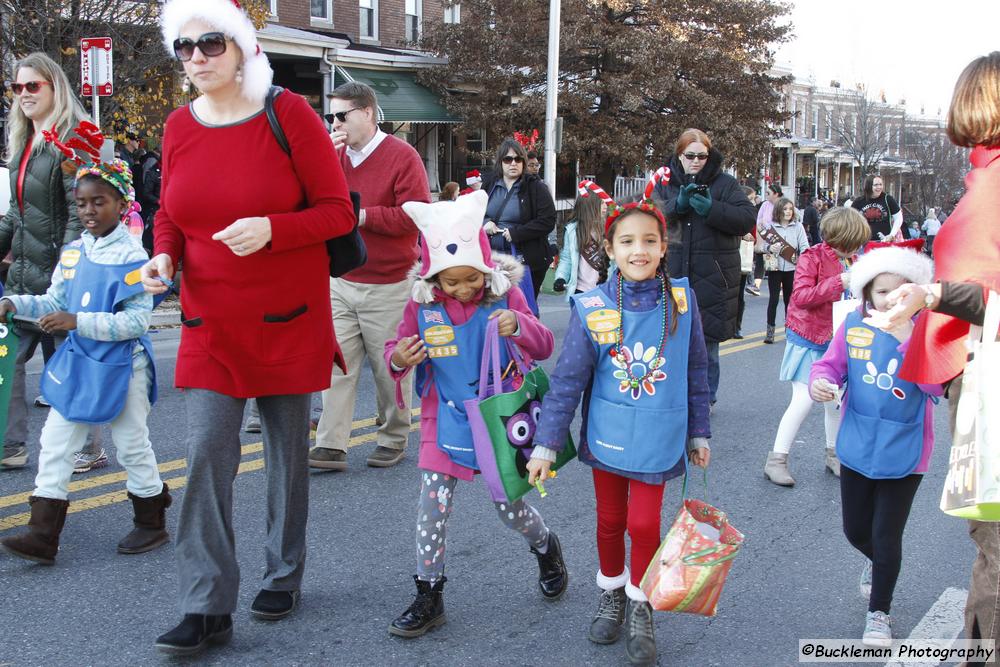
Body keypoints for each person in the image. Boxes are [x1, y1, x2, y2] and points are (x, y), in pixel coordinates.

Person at [146, 0, 356, 654]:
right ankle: (206, 603)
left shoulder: (286, 113)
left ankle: (283, 572)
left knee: (286, 456)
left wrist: (273, 229)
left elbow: (336, 215)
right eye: (185, 47)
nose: (197, 58)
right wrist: (164, 255)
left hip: (286, 316)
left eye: (210, 43)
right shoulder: (178, 126)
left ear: (241, 47)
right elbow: (170, 212)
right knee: (208, 451)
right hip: (210, 319)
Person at [530, 186, 711, 666]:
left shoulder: (682, 300)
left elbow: (696, 372)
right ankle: (611, 592)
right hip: (607, 435)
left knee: (644, 522)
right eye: (627, 242)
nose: (639, 250)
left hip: (660, 436)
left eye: (650, 241)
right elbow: (567, 381)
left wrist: (699, 432)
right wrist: (547, 444)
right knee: (610, 522)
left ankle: (641, 601)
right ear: (609, 249)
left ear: (663, 247)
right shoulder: (592, 307)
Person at [383, 191, 566, 638]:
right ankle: (430, 593)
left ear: (485, 269)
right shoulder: (422, 305)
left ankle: (545, 545)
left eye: (471, 279)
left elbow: (543, 345)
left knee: (510, 510)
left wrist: (518, 326)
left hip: (497, 420)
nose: (463, 289)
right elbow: (394, 350)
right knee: (431, 510)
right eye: (451, 282)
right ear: (434, 278)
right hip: (441, 419)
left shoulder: (506, 297)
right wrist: (401, 358)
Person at [880, 51, 1000, 667]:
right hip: (976, 376)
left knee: (995, 544)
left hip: (992, 383)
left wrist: (932, 294)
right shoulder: (985, 173)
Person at [0, 150, 171, 564]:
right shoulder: (74, 252)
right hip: (79, 364)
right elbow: (53, 301)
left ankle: (151, 522)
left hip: (123, 366)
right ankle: (42, 534)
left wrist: (77, 321)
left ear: (121, 203)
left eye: (99, 202)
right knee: (56, 443)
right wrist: (12, 303)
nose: (89, 210)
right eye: (81, 203)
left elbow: (134, 323)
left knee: (131, 445)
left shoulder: (134, 257)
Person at [810, 246, 941, 647]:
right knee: (855, 531)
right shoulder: (853, 323)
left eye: (900, 291)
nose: (889, 299)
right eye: (880, 291)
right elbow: (830, 364)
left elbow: (937, 387)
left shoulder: (925, 330)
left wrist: (907, 339)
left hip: (906, 450)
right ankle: (878, 563)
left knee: (886, 538)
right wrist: (821, 382)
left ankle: (879, 612)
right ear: (867, 294)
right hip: (858, 443)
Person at [309, 81, 430, 471]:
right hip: (340, 278)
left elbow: (415, 213)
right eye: (330, 116)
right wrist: (319, 160)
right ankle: (331, 444)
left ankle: (393, 436)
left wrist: (361, 216)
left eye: (341, 116)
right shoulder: (332, 156)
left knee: (388, 367)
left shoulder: (403, 156)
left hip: (390, 281)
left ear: (366, 113)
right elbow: (309, 202)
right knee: (337, 365)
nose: (334, 123)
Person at [0, 52, 96, 470]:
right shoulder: (23, 144)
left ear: (54, 87)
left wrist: (67, 274)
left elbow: (82, 213)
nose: (23, 94)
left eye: (32, 85)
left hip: (59, 280)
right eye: (16, 87)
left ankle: (86, 446)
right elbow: (17, 216)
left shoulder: (72, 140)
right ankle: (10, 447)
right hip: (23, 277)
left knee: (65, 366)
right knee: (7, 360)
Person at [762, 207, 870, 486]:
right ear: (842, 237)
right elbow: (800, 296)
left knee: (835, 403)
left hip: (836, 342)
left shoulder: (854, 260)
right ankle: (776, 459)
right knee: (804, 400)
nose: (858, 246)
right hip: (809, 339)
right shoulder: (813, 257)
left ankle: (833, 454)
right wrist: (838, 283)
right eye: (855, 240)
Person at [655, 128, 755, 407]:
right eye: (690, 156)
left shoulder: (725, 184)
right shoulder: (665, 182)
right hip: (672, 272)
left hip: (713, 275)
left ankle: (705, 399)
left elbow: (747, 219)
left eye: (702, 156)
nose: (696, 161)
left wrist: (712, 209)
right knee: (670, 341)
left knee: (707, 345)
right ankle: (671, 395)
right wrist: (678, 205)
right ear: (680, 155)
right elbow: (650, 216)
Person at [481, 138, 556, 298]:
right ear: (500, 162)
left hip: (524, 259)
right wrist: (485, 223)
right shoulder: (490, 184)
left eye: (518, 159)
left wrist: (518, 233)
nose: (513, 163)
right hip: (492, 258)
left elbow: (548, 220)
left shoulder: (535, 187)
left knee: (523, 308)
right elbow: (475, 213)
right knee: (495, 308)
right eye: (508, 159)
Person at [760, 198, 810, 344]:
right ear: (779, 210)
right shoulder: (771, 228)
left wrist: (802, 260)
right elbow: (762, 247)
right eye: (785, 209)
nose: (788, 212)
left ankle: (790, 330)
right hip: (775, 268)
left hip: (792, 268)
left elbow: (805, 246)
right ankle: (770, 332)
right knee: (773, 300)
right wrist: (770, 248)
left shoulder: (798, 227)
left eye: (790, 209)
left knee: (790, 300)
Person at [553, 182, 608, 298]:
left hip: (606, 290)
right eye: (602, 203)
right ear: (590, 205)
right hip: (580, 290)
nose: (605, 206)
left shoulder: (610, 228)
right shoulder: (572, 230)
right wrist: (560, 278)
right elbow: (566, 259)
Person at [851, 175, 903, 241]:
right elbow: (850, 221)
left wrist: (892, 235)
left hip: (884, 241)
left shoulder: (888, 199)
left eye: (880, 184)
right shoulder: (858, 201)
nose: (879, 187)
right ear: (869, 186)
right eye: (875, 185)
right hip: (863, 242)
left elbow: (898, 218)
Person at [735, 185, 757, 338]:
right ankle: (729, 325)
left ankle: (737, 326)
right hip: (730, 259)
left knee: (740, 296)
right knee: (730, 295)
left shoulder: (751, 216)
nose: (754, 202)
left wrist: (751, 237)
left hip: (743, 259)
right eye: (751, 199)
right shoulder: (733, 213)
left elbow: (755, 238)